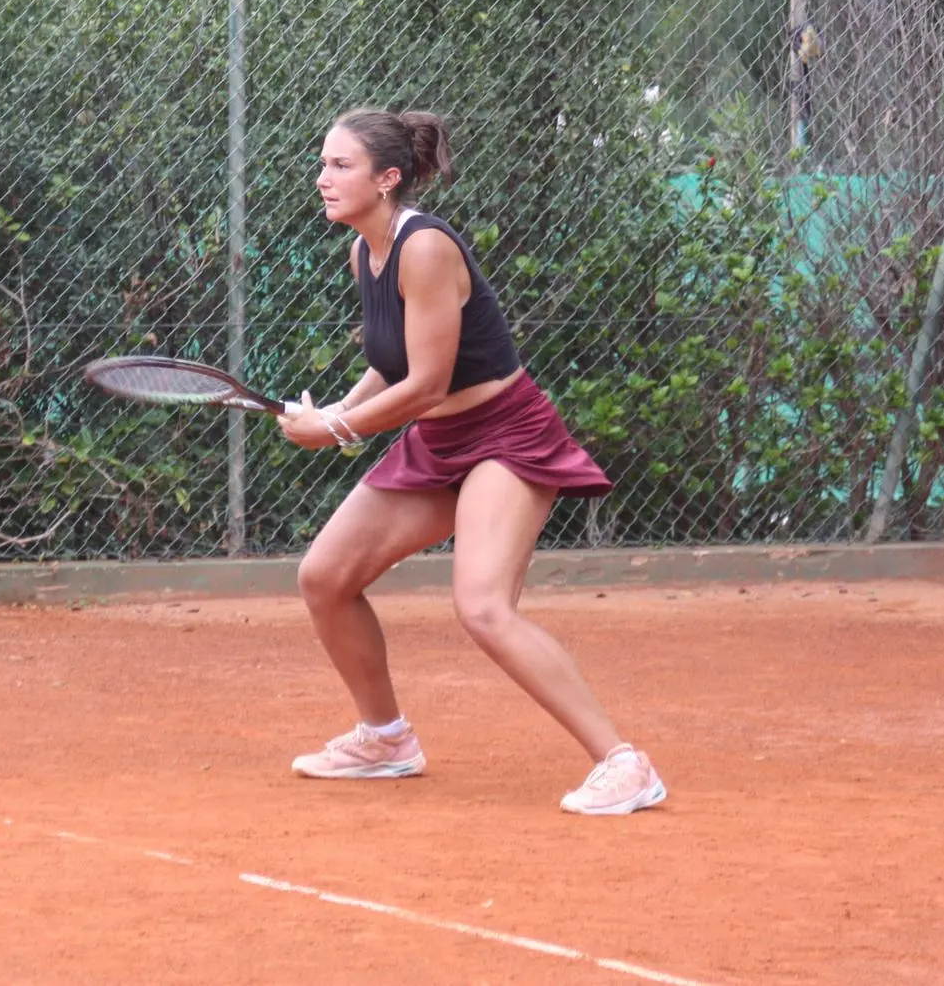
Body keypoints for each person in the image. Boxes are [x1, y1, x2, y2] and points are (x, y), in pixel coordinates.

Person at [275, 108, 665, 816]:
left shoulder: (423, 248)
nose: (321, 178)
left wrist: (333, 433)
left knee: (482, 607)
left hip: (503, 436)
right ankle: (385, 738)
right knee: (324, 576)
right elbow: (386, 361)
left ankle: (624, 762)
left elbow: (425, 382)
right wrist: (331, 411)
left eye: (339, 165)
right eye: (322, 163)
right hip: (438, 443)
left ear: (387, 178)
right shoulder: (363, 251)